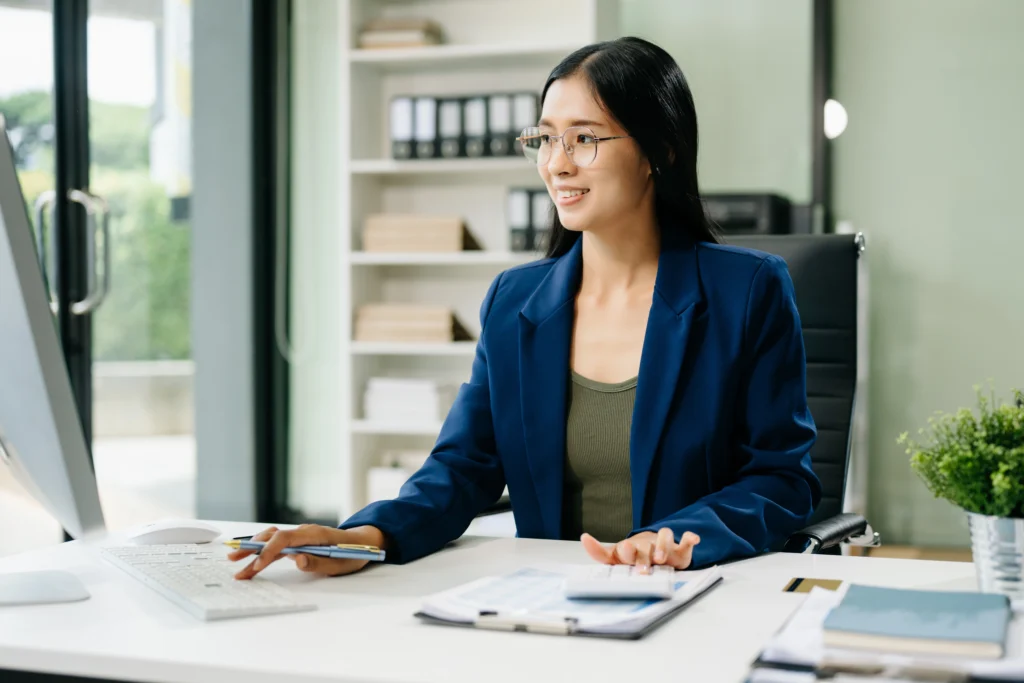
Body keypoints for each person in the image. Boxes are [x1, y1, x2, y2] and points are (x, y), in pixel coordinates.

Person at [231, 36, 821, 581]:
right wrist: (365, 536)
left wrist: (675, 538)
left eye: (584, 138)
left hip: (698, 592)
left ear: (658, 152)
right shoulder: (516, 301)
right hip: (555, 599)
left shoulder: (746, 292)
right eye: (544, 138)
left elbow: (781, 479)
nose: (556, 163)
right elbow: (464, 466)